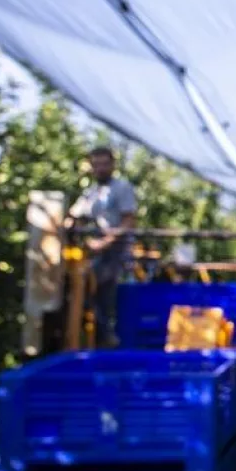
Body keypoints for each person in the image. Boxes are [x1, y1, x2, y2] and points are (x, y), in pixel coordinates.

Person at [68, 146, 137, 346]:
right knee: (81, 290)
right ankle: (91, 337)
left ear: (112, 165)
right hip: (93, 251)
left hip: (114, 251)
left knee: (101, 293)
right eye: (96, 164)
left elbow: (128, 221)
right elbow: (74, 215)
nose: (100, 168)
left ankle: (107, 338)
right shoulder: (92, 193)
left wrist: (104, 243)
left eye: (104, 164)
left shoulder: (121, 188)